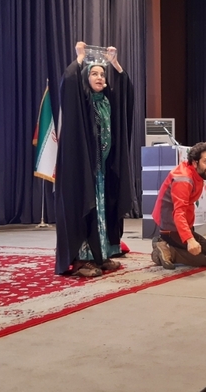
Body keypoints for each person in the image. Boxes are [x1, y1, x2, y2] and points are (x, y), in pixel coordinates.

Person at [54, 42, 134, 277]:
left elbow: (125, 94)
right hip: (83, 171)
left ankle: (101, 254)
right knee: (85, 210)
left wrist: (115, 64)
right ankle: (82, 259)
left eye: (102, 74)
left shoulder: (107, 101)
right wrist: (80, 57)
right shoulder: (82, 102)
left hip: (102, 171)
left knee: (102, 211)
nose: (100, 78)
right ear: (85, 78)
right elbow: (69, 84)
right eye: (94, 74)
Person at [151, 142, 206, 269]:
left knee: (204, 253)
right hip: (171, 228)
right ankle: (169, 250)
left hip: (182, 224)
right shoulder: (183, 178)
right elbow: (178, 213)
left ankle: (167, 246)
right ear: (195, 162)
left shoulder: (198, 170)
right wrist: (189, 239)